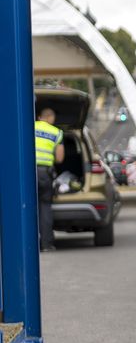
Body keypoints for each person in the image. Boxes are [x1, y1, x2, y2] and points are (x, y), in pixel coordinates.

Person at [34, 107, 65, 252]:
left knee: (26, 206)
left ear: (39, 117)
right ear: (51, 118)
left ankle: (27, 244)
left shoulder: (29, 127)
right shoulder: (56, 133)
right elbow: (59, 158)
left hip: (27, 174)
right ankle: (46, 245)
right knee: (44, 207)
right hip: (44, 174)